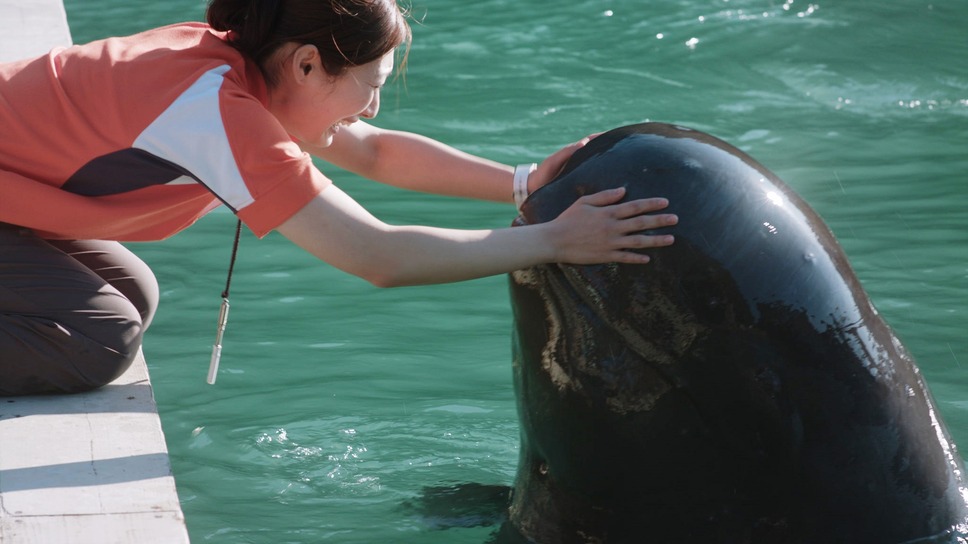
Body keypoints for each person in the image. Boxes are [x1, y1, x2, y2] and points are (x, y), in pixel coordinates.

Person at [0, 0, 677, 396]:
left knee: (133, 297)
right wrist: (557, 240)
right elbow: (375, 254)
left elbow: (376, 151)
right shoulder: (211, 109)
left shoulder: (238, 70)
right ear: (305, 65)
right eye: (370, 83)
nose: (372, 104)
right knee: (97, 337)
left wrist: (525, 181)